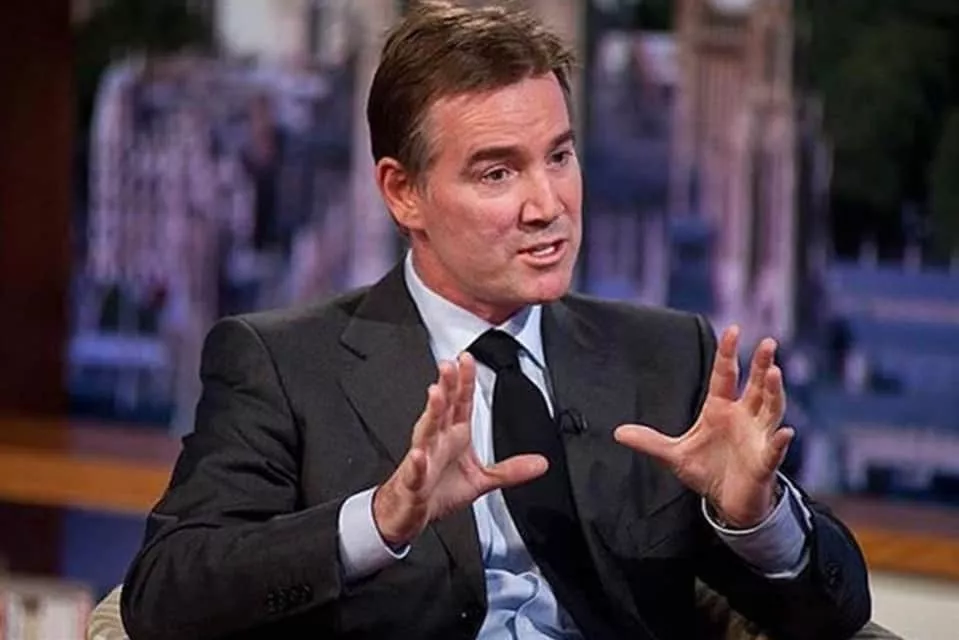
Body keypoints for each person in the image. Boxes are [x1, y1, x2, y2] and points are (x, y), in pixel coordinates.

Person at [120, 3, 871, 639]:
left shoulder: (667, 358)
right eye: (498, 172)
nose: (547, 205)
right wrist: (378, 522)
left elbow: (836, 617)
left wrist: (758, 518)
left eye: (559, 157)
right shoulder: (282, 364)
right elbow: (163, 597)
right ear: (403, 193)